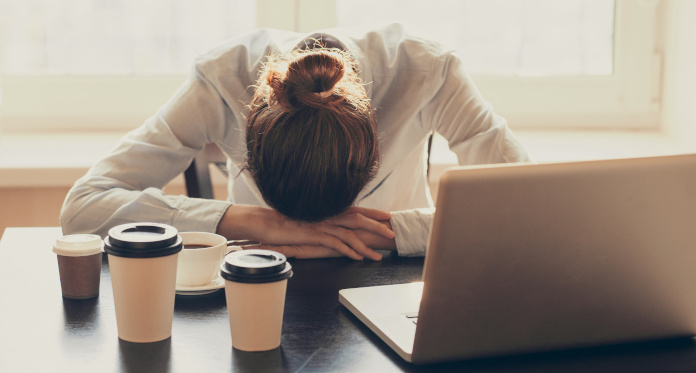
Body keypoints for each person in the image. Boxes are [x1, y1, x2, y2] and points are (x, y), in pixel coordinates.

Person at [60, 23, 532, 260]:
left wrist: (388, 231)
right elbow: (84, 206)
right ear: (251, 140)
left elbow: (531, 208)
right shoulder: (223, 78)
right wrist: (254, 222)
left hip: (393, 277)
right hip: (261, 267)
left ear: (372, 145)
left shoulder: (429, 72)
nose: (322, 231)